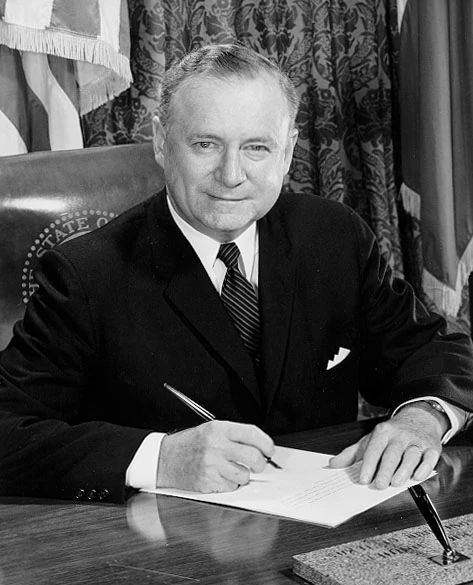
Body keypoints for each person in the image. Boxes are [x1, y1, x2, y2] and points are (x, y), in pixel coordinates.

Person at [0, 43, 472, 504]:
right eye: (206, 144)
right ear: (162, 142)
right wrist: (161, 457)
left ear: (287, 153)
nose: (231, 175)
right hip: (166, 538)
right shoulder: (86, 274)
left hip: (328, 518)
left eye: (256, 148)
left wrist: (422, 418)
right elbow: (7, 431)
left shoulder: (333, 235)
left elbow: (436, 350)